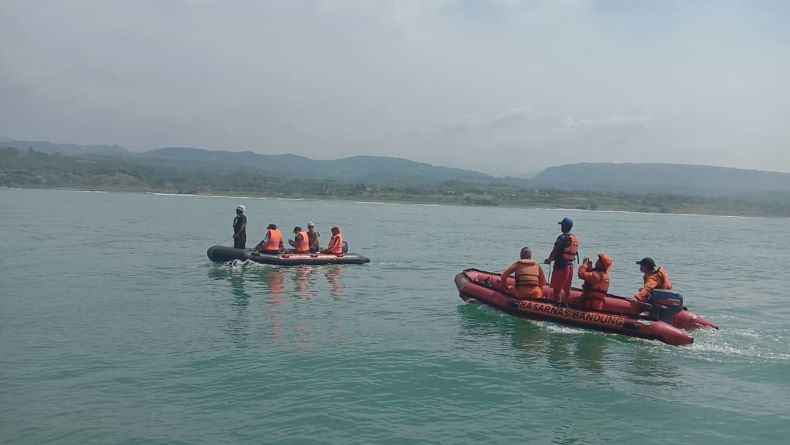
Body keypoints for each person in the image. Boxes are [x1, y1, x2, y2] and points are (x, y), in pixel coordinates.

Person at [544, 217, 580, 303]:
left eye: (561, 225)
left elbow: (555, 251)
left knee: (557, 291)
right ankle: (568, 306)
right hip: (570, 267)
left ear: (564, 226)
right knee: (567, 290)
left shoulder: (562, 238)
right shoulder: (574, 238)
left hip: (561, 267)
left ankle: (556, 308)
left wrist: (549, 260)